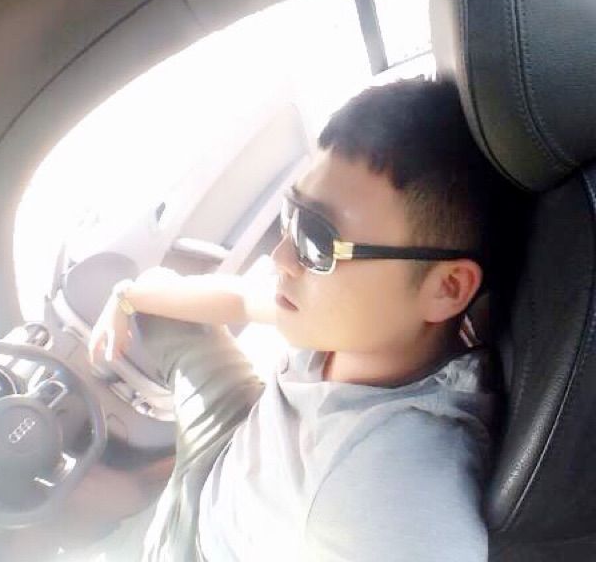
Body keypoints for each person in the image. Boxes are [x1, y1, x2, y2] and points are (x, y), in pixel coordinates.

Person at [89, 77, 514, 561]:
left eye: (317, 240)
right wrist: (126, 297)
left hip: (198, 547)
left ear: (447, 289)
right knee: (157, 298)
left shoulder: (385, 485)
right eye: (291, 214)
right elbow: (241, 300)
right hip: (232, 454)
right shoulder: (355, 327)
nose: (281, 256)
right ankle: (151, 481)